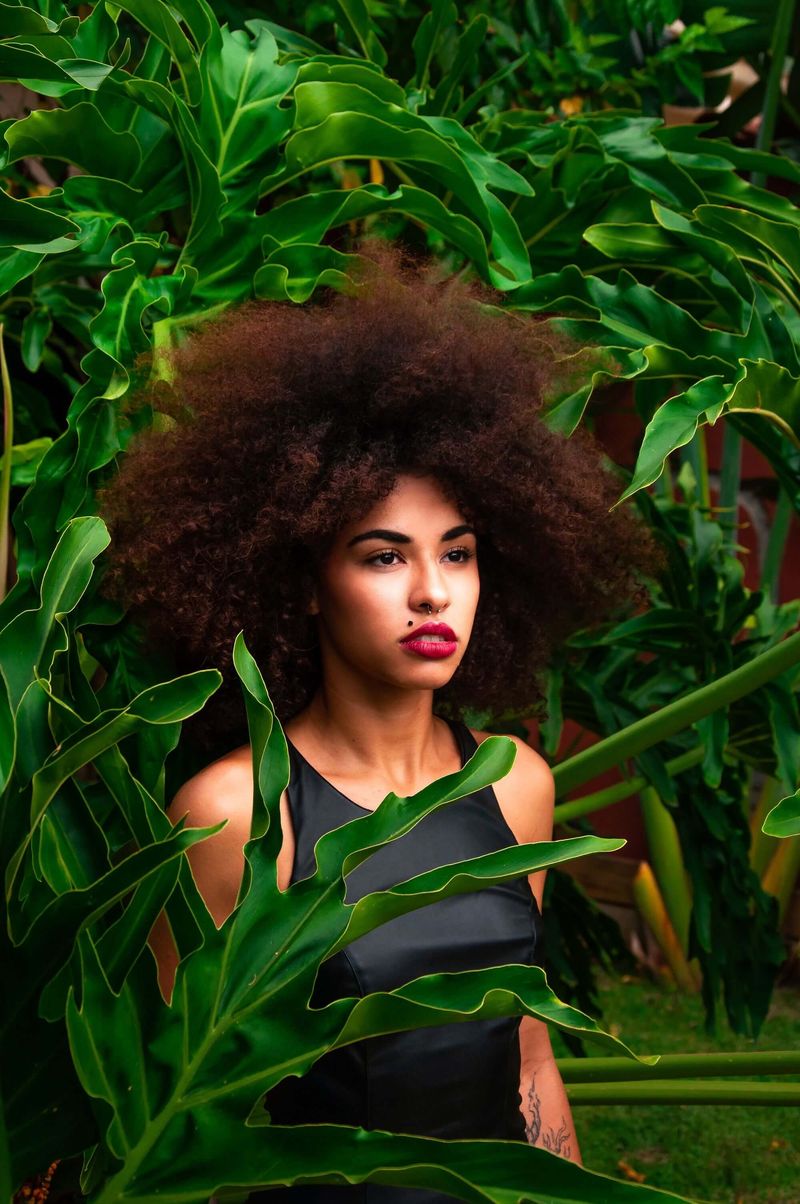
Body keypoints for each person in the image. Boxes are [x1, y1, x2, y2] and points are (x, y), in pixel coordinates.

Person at [97, 239, 661, 1200]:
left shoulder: (516, 784)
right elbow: (158, 1131)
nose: (435, 594)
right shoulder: (234, 816)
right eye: (384, 556)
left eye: (460, 552)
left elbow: (527, 1063)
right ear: (305, 582)